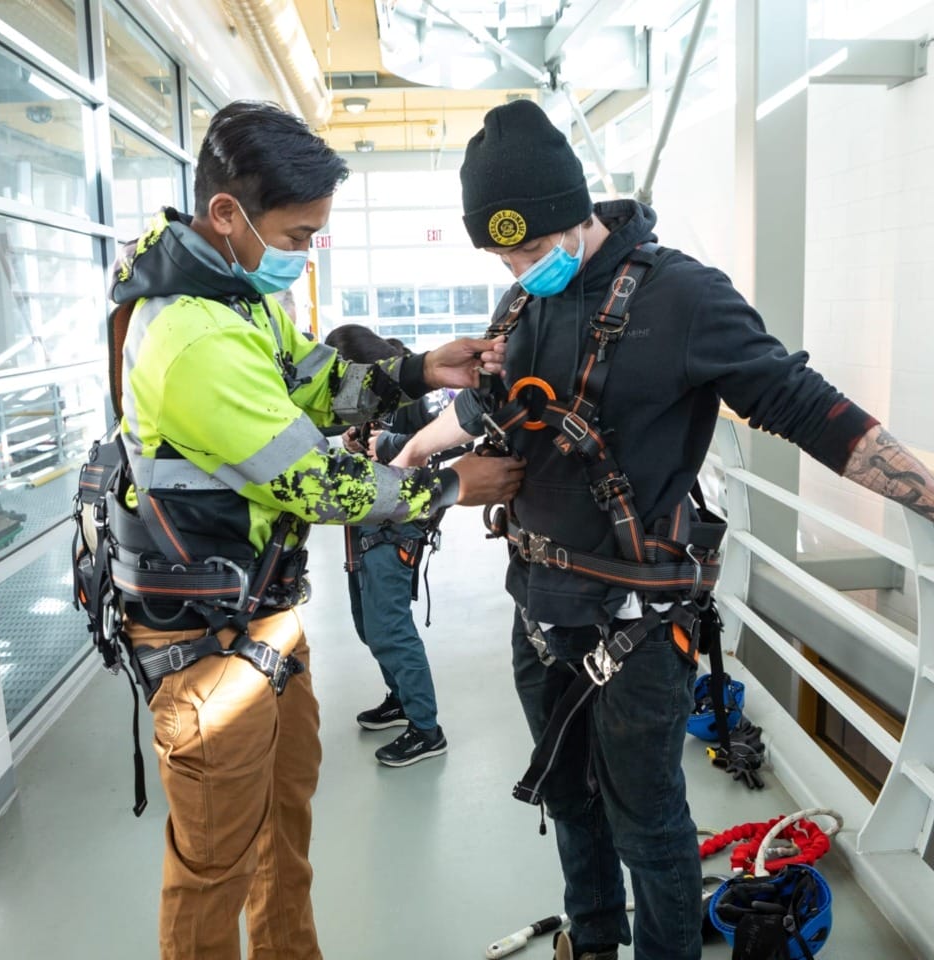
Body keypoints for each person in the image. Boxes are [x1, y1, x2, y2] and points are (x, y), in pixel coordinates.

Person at [391, 99, 934, 960]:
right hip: (536, 605)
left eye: (529, 249)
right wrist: (404, 465)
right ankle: (596, 941)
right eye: (501, 253)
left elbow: (803, 404)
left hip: (635, 627)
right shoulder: (523, 306)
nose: (517, 266)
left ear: (576, 213)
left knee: (648, 822)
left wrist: (925, 490)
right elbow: (483, 407)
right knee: (566, 797)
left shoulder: (682, 296)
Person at [106, 100, 523, 960]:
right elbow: (315, 480)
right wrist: (448, 485)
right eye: (296, 237)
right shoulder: (190, 338)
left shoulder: (232, 301)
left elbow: (307, 379)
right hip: (204, 644)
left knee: (283, 822)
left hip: (262, 617)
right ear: (228, 215)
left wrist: (414, 369)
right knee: (214, 861)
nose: (303, 255)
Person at [325, 324, 457, 766]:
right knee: (368, 626)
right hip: (364, 520)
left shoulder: (417, 399)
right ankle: (401, 698)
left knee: (390, 629)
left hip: (398, 525)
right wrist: (353, 445)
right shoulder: (366, 399)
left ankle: (426, 728)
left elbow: (453, 450)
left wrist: (393, 444)